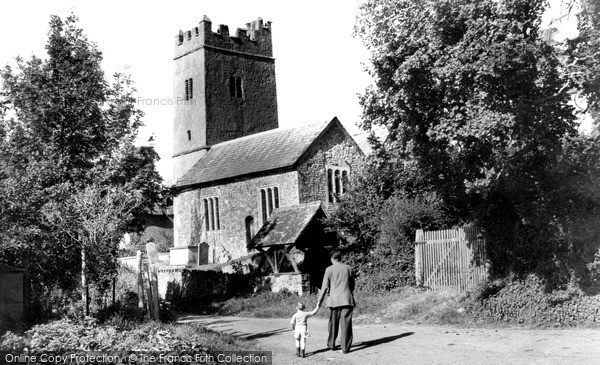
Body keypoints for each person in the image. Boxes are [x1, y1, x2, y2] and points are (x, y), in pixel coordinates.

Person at [316, 250, 355, 354]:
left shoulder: (329, 269)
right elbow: (352, 285)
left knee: (333, 323)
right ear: (340, 258)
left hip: (333, 300)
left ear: (332, 259)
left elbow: (324, 287)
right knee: (346, 324)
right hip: (346, 299)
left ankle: (331, 344)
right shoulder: (348, 268)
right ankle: (345, 348)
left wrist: (319, 300)